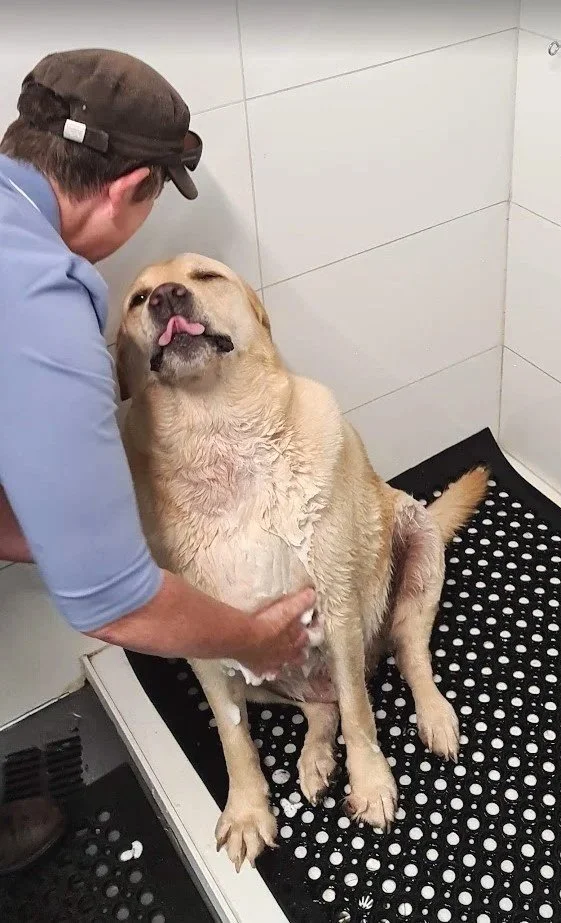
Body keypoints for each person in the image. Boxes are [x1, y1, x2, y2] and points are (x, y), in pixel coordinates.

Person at [0, 49, 314, 874]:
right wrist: (256, 639)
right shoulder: (46, 308)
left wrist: (73, 529)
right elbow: (115, 606)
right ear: (128, 188)